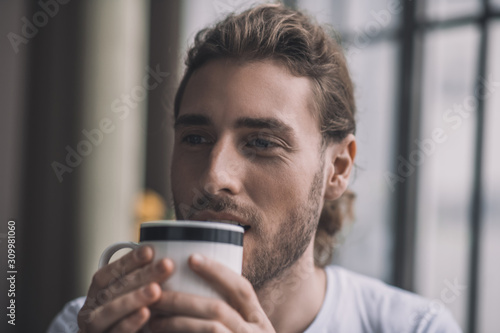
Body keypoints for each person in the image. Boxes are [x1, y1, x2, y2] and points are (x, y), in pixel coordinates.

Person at [48, 4, 461, 333]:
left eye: (262, 143)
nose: (214, 176)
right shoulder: (85, 324)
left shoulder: (416, 327)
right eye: (195, 138)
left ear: (337, 168)